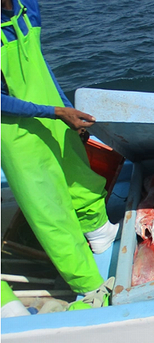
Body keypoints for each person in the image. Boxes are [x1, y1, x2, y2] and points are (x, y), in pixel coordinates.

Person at [1, 0, 119, 298]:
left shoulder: (26, 7)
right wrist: (55, 112)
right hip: (13, 132)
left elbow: (39, 63)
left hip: (50, 109)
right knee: (48, 207)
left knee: (76, 172)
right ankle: (89, 286)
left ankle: (100, 232)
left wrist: (65, 106)